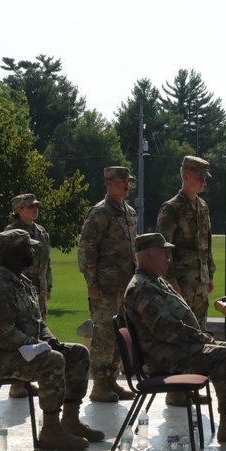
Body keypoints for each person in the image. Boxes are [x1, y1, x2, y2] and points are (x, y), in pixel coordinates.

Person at [0, 229, 104, 451]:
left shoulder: (22, 282)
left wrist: (50, 341)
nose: (33, 251)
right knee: (51, 360)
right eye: (28, 247)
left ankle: (71, 421)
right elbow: (4, 336)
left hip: (19, 351)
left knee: (77, 353)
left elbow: (37, 322)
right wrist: (38, 347)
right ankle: (50, 430)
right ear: (14, 253)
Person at [123, 233, 226, 444]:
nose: (169, 257)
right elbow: (164, 329)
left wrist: (201, 338)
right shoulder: (142, 287)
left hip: (177, 350)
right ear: (149, 254)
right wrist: (200, 337)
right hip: (167, 357)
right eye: (164, 252)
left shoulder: (155, 281)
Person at [78, 166, 138, 402]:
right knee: (103, 335)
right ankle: (99, 384)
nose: (127, 184)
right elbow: (87, 250)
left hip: (126, 286)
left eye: (128, 180)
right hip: (105, 286)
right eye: (123, 180)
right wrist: (91, 283)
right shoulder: (99, 213)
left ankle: (112, 379)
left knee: (120, 333)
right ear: (109, 183)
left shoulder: (129, 212)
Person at [0, 193, 53, 399]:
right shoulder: (11, 234)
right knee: (22, 335)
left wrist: (47, 286)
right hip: (18, 292)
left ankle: (30, 379)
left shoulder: (41, 232)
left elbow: (47, 263)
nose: (35, 209)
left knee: (37, 333)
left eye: (36, 206)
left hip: (37, 291)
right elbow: (1, 265)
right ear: (18, 210)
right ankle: (18, 383)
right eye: (30, 207)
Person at [156, 155, 217, 330]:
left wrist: (209, 275)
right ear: (186, 176)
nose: (203, 181)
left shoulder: (203, 207)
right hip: (181, 284)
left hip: (201, 284)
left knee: (200, 330)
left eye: (205, 177)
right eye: (199, 177)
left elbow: (207, 244)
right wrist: (171, 282)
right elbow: (163, 248)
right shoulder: (171, 208)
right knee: (181, 332)